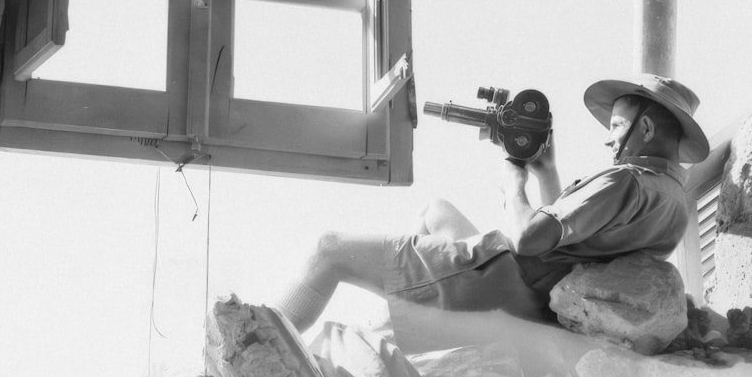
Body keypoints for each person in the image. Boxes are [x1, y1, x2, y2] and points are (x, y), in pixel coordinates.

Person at [275, 74, 710, 332]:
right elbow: (575, 249)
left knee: (329, 249)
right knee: (435, 210)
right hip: (532, 294)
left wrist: (513, 185)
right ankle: (414, 307)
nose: (609, 137)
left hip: (496, 275)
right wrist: (545, 173)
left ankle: (271, 337)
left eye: (617, 125)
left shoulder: (625, 181)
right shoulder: (671, 201)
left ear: (647, 130)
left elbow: (529, 238)